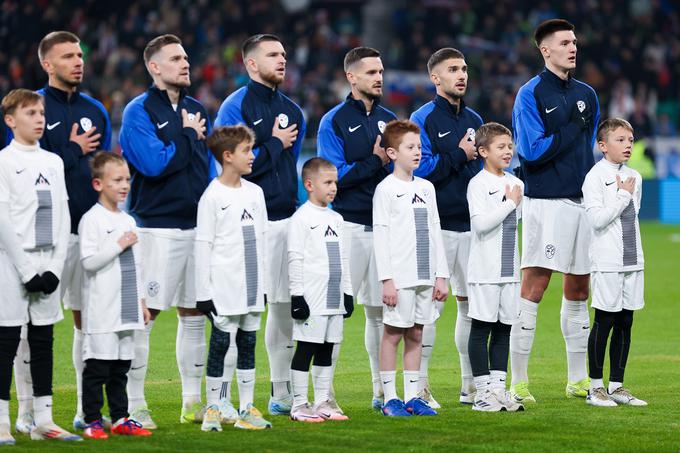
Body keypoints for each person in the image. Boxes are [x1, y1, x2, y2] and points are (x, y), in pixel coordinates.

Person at [9, 31, 113, 433]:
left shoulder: (95, 110)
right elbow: (26, 164)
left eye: (81, 54)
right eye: (68, 56)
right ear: (48, 65)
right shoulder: (30, 108)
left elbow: (103, 167)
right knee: (28, 326)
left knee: (89, 323)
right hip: (43, 238)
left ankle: (85, 411)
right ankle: (25, 413)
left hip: (87, 231)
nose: (78, 61)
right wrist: (71, 150)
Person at [119, 34, 215, 428]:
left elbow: (205, 170)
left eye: (186, 57)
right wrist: (188, 135)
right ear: (154, 67)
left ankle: (191, 403)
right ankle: (134, 403)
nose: (185, 64)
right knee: (146, 316)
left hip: (196, 229)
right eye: (175, 58)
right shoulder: (138, 111)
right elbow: (153, 164)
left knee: (193, 315)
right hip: (156, 229)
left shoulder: (196, 108)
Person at [214, 34, 305, 416]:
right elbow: (228, 162)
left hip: (286, 219)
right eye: (272, 54)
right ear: (251, 64)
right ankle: (223, 396)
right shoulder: (235, 106)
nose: (281, 59)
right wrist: (273, 144)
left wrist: (276, 148)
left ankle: (280, 391)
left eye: (284, 53)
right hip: (247, 224)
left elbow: (289, 165)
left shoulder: (294, 110)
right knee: (240, 310)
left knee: (283, 308)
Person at [510, 18, 600, 403]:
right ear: (545, 50)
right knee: (534, 287)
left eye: (575, 41)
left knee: (579, 288)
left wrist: (574, 132)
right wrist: (569, 130)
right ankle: (519, 380)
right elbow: (531, 150)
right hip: (545, 203)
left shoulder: (587, 94)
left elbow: (589, 146)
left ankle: (577, 379)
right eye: (565, 42)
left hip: (582, 203)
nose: (573, 47)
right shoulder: (529, 94)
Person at [317, 47, 396, 410]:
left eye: (380, 71)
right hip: (346, 226)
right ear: (352, 77)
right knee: (335, 311)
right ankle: (325, 394)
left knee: (381, 312)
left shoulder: (391, 120)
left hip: (383, 228)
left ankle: (382, 391)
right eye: (370, 72)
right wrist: (375, 161)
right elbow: (334, 177)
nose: (378, 77)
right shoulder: (333, 121)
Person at [0, 89, 80, 443]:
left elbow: (63, 216)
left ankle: (43, 421)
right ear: (10, 120)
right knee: (5, 342)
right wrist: (25, 269)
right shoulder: (4, 161)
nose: (39, 118)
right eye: (30, 113)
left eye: (40, 112)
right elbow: (2, 219)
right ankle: (2, 421)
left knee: (43, 340)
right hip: (11, 263)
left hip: (49, 263)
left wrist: (54, 269)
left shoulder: (53, 162)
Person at [410, 47, 483, 406]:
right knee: (429, 309)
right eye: (453, 69)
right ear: (435, 78)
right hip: (434, 227)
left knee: (472, 306)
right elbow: (418, 169)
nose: (462, 75)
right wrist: (458, 155)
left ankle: (471, 385)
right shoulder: (422, 118)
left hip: (470, 227)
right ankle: (421, 386)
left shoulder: (474, 117)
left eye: (464, 68)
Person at [195, 125, 271, 432]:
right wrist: (203, 291)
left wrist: (264, 285)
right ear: (228, 156)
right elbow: (204, 245)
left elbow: (263, 242)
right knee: (220, 345)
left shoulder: (256, 193)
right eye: (246, 150)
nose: (252, 156)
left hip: (252, 287)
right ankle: (213, 407)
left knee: (249, 343)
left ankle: (246, 409)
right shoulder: (212, 197)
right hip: (224, 287)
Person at [372, 120, 448, 417]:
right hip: (400, 277)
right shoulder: (386, 190)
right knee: (392, 333)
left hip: (425, 276)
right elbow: (381, 235)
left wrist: (441, 276)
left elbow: (435, 231)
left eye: (419, 147)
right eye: (410, 147)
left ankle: (413, 396)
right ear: (392, 153)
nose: (417, 152)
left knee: (416, 333)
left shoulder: (427, 188)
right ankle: (390, 398)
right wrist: (387, 280)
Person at [78, 152, 152, 439]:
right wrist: (118, 245)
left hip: (127, 308)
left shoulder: (129, 220)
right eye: (117, 180)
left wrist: (142, 302)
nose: (124, 185)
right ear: (98, 184)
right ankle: (92, 420)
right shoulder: (92, 220)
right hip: (102, 310)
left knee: (121, 368)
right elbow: (88, 262)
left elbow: (138, 266)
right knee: (97, 368)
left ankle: (121, 417)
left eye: (127, 180)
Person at [582, 118, 646, 407]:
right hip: (607, 261)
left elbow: (634, 217)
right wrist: (622, 195)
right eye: (620, 140)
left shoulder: (635, 176)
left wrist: (626, 195)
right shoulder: (595, 177)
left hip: (633, 259)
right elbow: (597, 220)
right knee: (604, 320)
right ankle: (595, 388)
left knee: (626, 321)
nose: (628, 145)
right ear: (602, 145)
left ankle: (617, 385)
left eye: (630, 140)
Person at [288, 157, 353, 423]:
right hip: (312, 298)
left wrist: (348, 292)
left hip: (334, 297)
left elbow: (344, 258)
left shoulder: (337, 219)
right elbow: (295, 258)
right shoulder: (301, 218)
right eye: (327, 182)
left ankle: (322, 401)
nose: (333, 187)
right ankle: (299, 404)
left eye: (335, 182)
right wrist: (297, 295)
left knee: (328, 349)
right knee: (306, 349)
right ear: (309, 184)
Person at [465, 122, 524, 412]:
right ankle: (483, 393)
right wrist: (509, 204)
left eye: (510, 146)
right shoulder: (478, 184)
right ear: (483, 151)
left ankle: (500, 390)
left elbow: (514, 227)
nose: (508, 151)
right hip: (485, 271)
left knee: (504, 329)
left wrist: (513, 204)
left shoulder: (516, 183)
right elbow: (480, 226)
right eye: (501, 147)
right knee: (481, 329)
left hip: (510, 270)